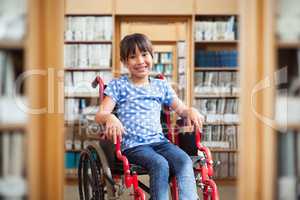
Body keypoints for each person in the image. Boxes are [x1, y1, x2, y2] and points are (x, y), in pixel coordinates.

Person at [96, 33, 203, 200]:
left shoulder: (161, 85)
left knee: (184, 160)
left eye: (144, 54)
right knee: (160, 164)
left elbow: (181, 109)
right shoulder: (119, 85)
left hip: (160, 142)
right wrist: (110, 118)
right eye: (133, 57)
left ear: (152, 56)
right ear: (125, 62)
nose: (140, 61)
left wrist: (190, 111)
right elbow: (101, 114)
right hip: (134, 145)